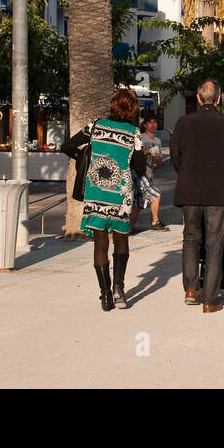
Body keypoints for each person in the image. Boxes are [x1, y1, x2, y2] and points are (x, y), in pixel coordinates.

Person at [66, 89, 146, 311]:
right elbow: (141, 168)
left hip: (96, 192)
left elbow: (68, 146)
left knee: (100, 242)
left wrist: (84, 158)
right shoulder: (134, 134)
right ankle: (119, 289)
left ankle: (105, 295)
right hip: (121, 194)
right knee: (121, 240)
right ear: (133, 109)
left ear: (113, 104)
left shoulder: (96, 126)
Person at [171, 79, 224, 313]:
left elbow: (175, 157)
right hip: (217, 190)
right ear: (219, 99)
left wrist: (188, 172)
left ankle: (190, 289)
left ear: (199, 98)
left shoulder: (183, 123)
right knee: (214, 243)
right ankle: (210, 299)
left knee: (191, 238)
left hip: (189, 189)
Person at [130, 117, 168, 232]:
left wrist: (157, 158)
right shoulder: (141, 138)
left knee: (139, 203)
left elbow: (159, 161)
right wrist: (148, 151)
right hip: (139, 172)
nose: (153, 125)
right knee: (156, 195)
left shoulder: (158, 141)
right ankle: (155, 222)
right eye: (150, 122)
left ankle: (129, 228)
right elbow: (134, 154)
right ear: (145, 125)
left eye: (155, 122)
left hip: (149, 174)